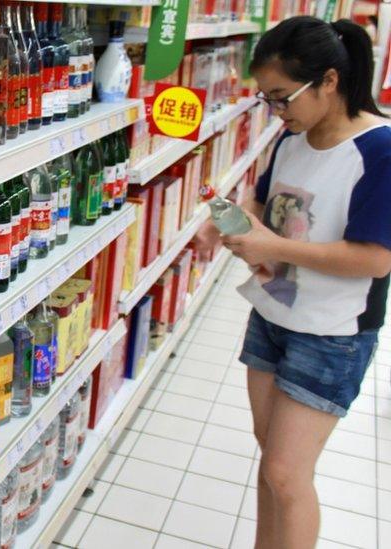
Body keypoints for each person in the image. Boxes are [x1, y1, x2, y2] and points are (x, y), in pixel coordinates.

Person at [197, 16, 391, 549]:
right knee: (272, 461)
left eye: (283, 98)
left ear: (329, 81)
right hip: (273, 313)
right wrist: (230, 222)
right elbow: (263, 201)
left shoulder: (379, 152)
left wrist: (273, 248)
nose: (276, 111)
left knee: (287, 474)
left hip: (332, 332)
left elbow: (375, 260)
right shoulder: (292, 137)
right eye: (267, 99)